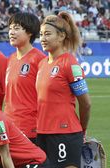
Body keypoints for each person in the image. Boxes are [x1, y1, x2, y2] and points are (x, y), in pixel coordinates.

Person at [37, 11, 91, 167]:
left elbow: (86, 103)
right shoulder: (42, 64)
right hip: (42, 133)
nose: (42, 39)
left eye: (47, 34)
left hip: (65, 133)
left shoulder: (70, 64)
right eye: (41, 34)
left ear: (61, 36)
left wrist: (83, 129)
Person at [4, 12, 46, 143]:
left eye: (16, 28)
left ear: (29, 32)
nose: (11, 32)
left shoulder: (39, 60)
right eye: (10, 28)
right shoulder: (10, 59)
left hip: (31, 129)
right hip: (9, 126)